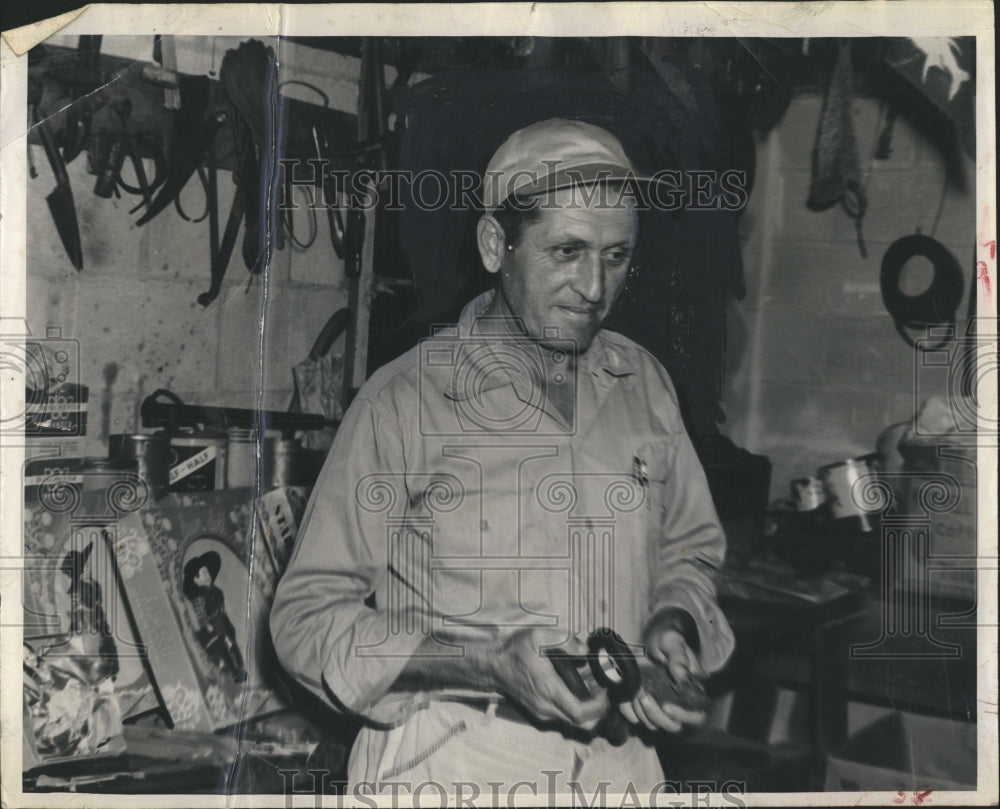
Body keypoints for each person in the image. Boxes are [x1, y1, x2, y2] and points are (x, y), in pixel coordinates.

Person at [271, 118, 735, 799]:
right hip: (452, 765)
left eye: (615, 256)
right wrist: (483, 664)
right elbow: (305, 620)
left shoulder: (644, 384)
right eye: (567, 251)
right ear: (496, 244)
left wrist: (674, 621)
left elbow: (690, 550)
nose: (594, 287)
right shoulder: (406, 400)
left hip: (622, 770)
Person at [183, 551, 248, 683]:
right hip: (213, 625)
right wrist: (207, 626)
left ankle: (241, 668)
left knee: (233, 644)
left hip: (223, 621)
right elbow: (201, 615)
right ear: (196, 580)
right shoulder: (199, 597)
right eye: (203, 574)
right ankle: (235, 673)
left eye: (208, 573)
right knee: (224, 650)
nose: (207, 576)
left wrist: (224, 616)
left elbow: (221, 607)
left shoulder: (215, 591)